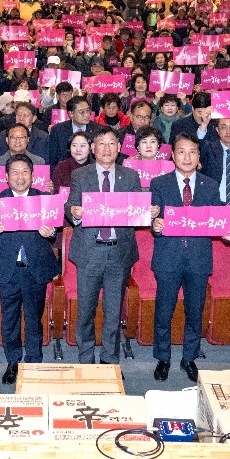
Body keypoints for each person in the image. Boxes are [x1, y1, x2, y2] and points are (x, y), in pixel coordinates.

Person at [66, 127, 147, 365]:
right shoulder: (81, 175)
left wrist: (146, 211)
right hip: (89, 252)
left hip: (119, 253)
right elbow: (70, 204)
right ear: (93, 148)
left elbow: (135, 211)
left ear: (119, 148)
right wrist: (75, 212)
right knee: (86, 312)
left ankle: (110, 361)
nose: (107, 148)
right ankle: (86, 359)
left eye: (112, 143)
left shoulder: (130, 176)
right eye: (101, 144)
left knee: (113, 312)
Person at [149, 134, 224, 382]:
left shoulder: (210, 185)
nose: (187, 157)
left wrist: (227, 227)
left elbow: (218, 219)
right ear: (173, 155)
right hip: (168, 257)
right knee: (163, 311)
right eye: (182, 152)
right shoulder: (159, 184)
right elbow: (152, 217)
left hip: (198, 259)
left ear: (199, 156)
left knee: (195, 311)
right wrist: (155, 224)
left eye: (192, 152)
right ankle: (163, 358)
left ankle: (189, 358)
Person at [0, 154, 59, 385]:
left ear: (32, 176)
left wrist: (51, 232)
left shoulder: (43, 198)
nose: (20, 176)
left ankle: (34, 360)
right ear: (6, 177)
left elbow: (55, 229)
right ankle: (13, 361)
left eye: (24, 172)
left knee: (35, 317)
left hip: (35, 265)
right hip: (8, 267)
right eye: (15, 172)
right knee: (10, 318)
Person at [46, 96, 102, 168]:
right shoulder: (57, 131)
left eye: (88, 110)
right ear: (71, 114)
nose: (87, 115)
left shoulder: (98, 130)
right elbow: (52, 159)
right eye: (81, 112)